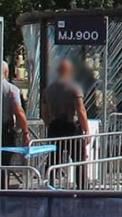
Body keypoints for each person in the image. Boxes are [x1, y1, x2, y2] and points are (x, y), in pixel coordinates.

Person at [38, 58, 89, 188]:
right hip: (72, 128)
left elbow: (44, 112)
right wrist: (86, 130)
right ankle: (82, 188)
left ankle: (49, 185)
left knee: (53, 159)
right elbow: (80, 110)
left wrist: (49, 124)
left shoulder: (48, 90)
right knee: (79, 160)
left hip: (55, 127)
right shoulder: (74, 88)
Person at [0, 61, 31, 183]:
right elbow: (19, 111)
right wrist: (25, 132)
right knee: (4, 162)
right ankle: (3, 187)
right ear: (6, 72)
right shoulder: (12, 89)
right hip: (6, 130)